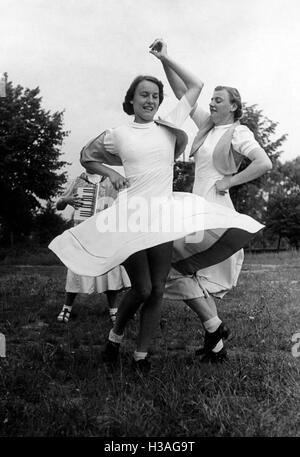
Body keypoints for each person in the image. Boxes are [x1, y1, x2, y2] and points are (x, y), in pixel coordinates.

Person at [49, 42, 264, 374]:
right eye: (143, 94)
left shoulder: (169, 123)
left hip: (163, 217)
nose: (150, 100)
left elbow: (194, 86)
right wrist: (110, 173)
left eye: (155, 95)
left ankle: (142, 356)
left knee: (160, 288)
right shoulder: (118, 133)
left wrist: (165, 58)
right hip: (131, 217)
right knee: (142, 288)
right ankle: (114, 337)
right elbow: (86, 157)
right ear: (131, 99)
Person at [151, 39, 272, 362]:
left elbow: (263, 163)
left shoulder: (238, 131)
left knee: (174, 267)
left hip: (214, 213)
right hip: (196, 208)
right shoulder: (208, 127)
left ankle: (215, 326)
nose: (213, 103)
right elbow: (183, 95)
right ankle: (216, 343)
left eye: (219, 100)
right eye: (213, 100)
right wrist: (165, 59)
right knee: (192, 275)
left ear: (233, 106)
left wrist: (230, 181)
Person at [56, 171, 131, 324]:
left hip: (105, 234)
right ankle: (67, 307)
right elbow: (59, 206)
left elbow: (124, 204)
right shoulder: (78, 180)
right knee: (75, 269)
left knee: (110, 271)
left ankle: (113, 310)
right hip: (83, 233)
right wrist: (66, 199)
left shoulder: (111, 181)